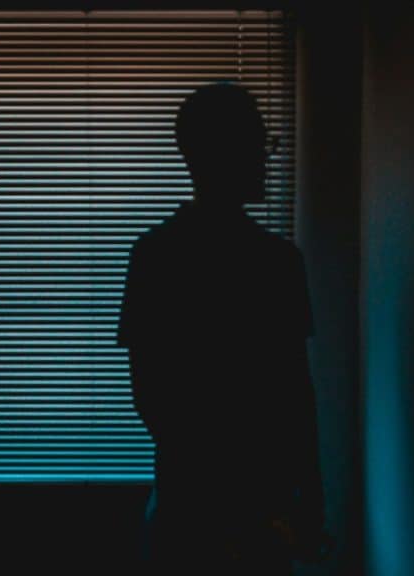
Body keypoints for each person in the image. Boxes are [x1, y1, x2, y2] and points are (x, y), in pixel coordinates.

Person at [117, 81, 331, 574]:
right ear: (226, 153)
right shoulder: (277, 263)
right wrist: (306, 496)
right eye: (260, 144)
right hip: (257, 503)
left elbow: (149, 393)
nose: (267, 159)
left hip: (187, 499)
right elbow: (294, 393)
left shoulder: (154, 256)